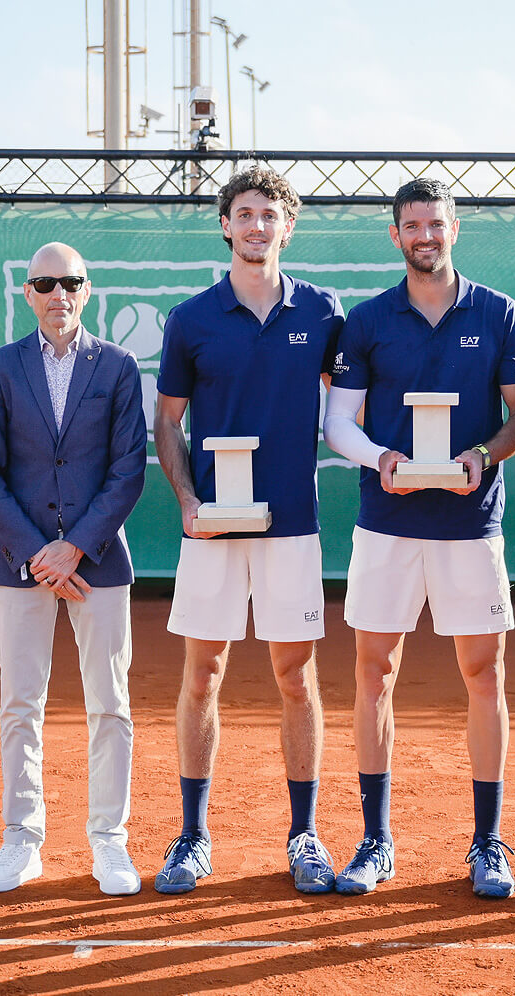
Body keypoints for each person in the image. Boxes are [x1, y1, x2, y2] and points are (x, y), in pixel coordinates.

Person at [323, 178, 515, 897]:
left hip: (472, 526)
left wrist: (483, 456)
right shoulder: (369, 320)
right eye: (413, 225)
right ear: (395, 234)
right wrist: (380, 459)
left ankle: (487, 844)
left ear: (454, 229)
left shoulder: (499, 313)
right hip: (387, 523)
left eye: (436, 224)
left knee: (484, 675)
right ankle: (376, 842)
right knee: (373, 673)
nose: (426, 235)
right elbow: (339, 423)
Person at [154, 165, 344, 895]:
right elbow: (167, 423)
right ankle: (193, 837)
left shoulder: (323, 312)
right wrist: (187, 502)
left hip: (293, 525)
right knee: (202, 676)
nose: (257, 225)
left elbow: (350, 409)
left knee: (296, 677)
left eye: (270, 214)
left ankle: (304, 835)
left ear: (286, 227)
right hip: (211, 531)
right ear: (226, 225)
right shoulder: (191, 318)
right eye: (245, 213)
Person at [0, 242, 147, 896]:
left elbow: (129, 468)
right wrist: (38, 552)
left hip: (98, 563)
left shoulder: (120, 366)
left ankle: (109, 841)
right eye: (45, 283)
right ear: (28, 293)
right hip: (20, 565)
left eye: (69, 282)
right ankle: (22, 838)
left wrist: (76, 546)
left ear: (87, 289)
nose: (57, 295)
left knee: (111, 706)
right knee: (21, 704)